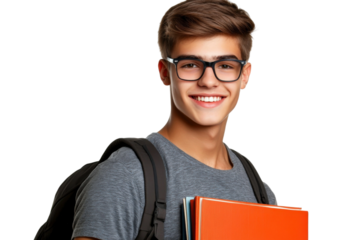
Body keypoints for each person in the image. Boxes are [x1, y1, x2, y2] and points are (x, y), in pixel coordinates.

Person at [73, 0, 278, 239]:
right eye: (191, 65)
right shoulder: (125, 176)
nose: (209, 81)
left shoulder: (260, 191)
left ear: (245, 76)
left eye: (225, 65)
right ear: (164, 72)